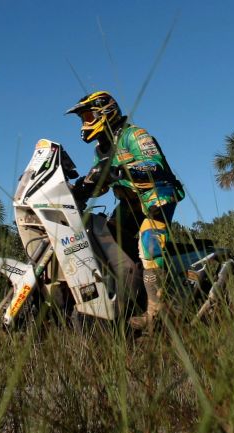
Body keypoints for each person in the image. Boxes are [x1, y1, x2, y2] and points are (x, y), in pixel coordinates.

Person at [66, 90, 185, 332]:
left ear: (105, 112)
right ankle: (129, 295)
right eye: (83, 119)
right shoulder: (101, 149)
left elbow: (154, 164)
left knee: (148, 244)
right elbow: (98, 182)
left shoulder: (135, 134)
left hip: (155, 199)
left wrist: (120, 170)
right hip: (130, 205)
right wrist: (77, 189)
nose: (85, 124)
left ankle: (156, 314)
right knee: (105, 239)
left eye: (88, 117)